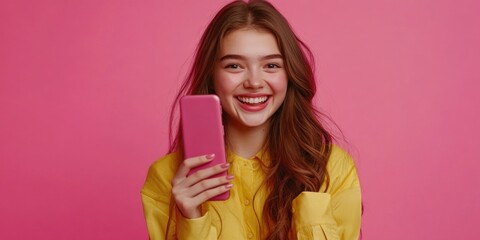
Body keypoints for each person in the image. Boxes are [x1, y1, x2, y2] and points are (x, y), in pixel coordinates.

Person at [141, 0, 362, 239]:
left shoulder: (333, 169)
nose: (254, 82)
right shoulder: (167, 178)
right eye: (234, 66)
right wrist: (192, 220)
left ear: (289, 75)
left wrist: (311, 213)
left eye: (271, 65)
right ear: (212, 76)